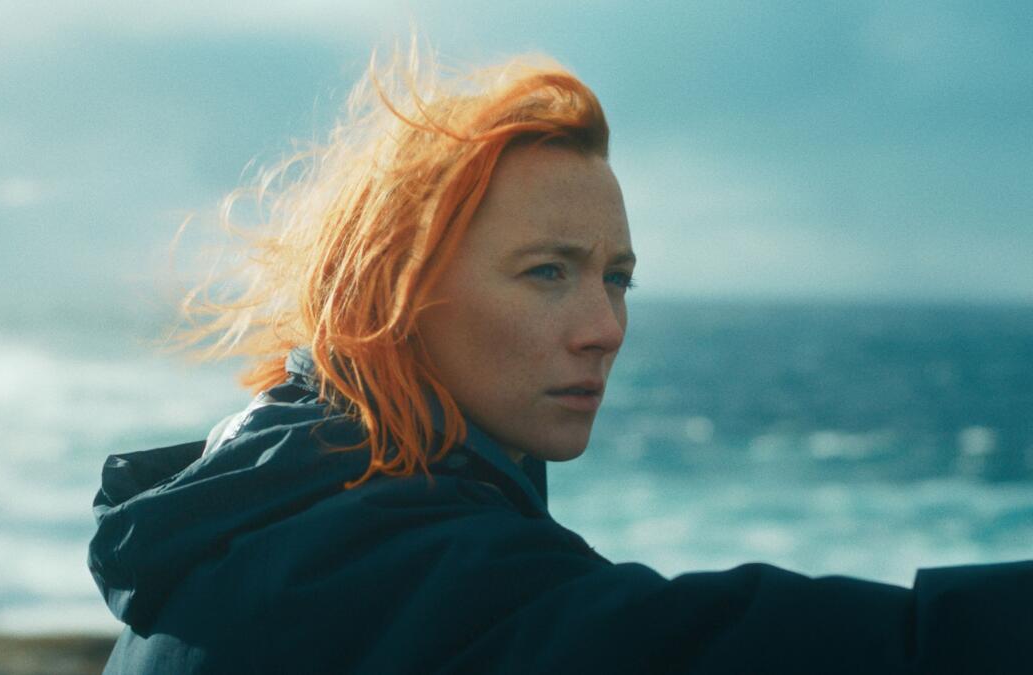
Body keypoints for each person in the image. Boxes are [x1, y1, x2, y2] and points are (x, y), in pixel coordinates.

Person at [88, 46, 1032, 674]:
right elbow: (690, 647)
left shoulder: (249, 508)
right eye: (548, 272)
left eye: (617, 278)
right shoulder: (381, 570)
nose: (604, 326)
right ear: (396, 292)